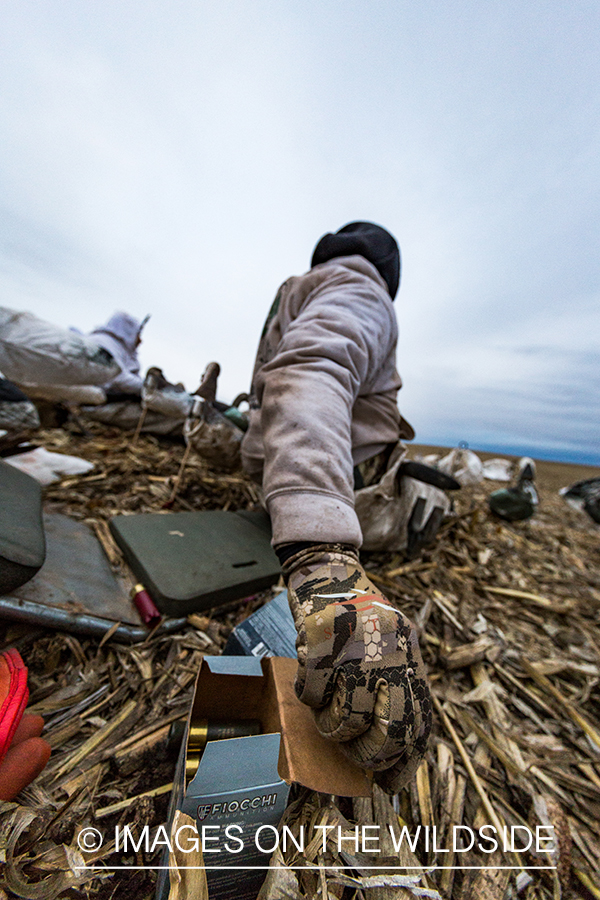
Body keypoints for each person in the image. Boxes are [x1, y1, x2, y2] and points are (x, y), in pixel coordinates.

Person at [241, 222, 433, 793]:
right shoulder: (363, 291)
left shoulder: (298, 291)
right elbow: (312, 372)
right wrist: (324, 561)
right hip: (345, 482)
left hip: (273, 469)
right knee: (432, 500)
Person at [88, 311, 149, 397]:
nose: (140, 340)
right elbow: (117, 378)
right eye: (138, 334)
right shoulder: (105, 343)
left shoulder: (117, 347)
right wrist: (150, 387)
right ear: (128, 331)